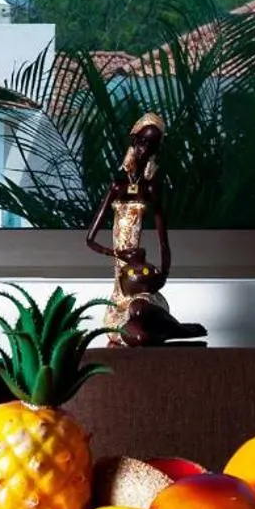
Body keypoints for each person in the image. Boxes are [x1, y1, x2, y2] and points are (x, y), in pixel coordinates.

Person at [83, 112, 206, 346]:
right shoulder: (118, 185)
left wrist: (164, 273)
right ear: (134, 141)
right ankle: (174, 330)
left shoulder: (150, 188)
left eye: (151, 144)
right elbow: (90, 239)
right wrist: (115, 253)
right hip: (122, 284)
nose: (144, 149)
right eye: (141, 142)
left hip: (140, 281)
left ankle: (174, 327)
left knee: (141, 307)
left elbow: (163, 240)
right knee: (138, 330)